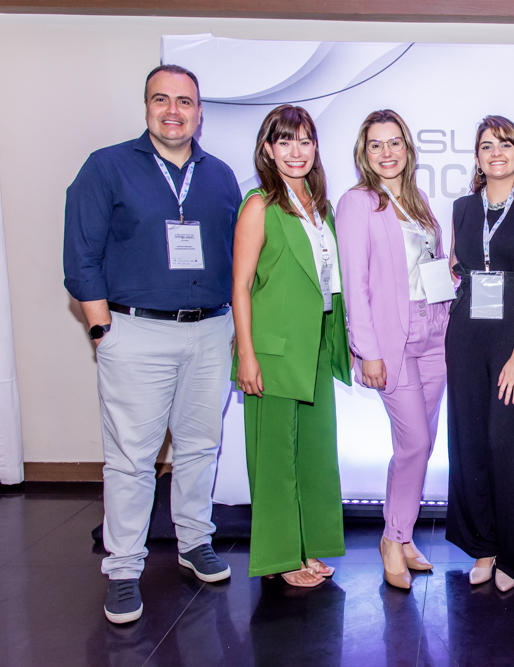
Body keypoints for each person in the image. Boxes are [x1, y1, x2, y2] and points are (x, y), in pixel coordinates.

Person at [63, 64, 241, 623]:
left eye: (184, 101)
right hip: (134, 330)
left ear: (199, 111)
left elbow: (237, 260)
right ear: (146, 107)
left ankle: (193, 540)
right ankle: (122, 567)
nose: (173, 111)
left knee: (198, 446)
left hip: (210, 329)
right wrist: (102, 331)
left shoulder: (220, 176)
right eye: (161, 100)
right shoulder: (108, 167)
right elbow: (80, 253)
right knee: (131, 459)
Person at [232, 105, 352, 588]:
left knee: (315, 454)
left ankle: (307, 548)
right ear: (267, 149)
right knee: (275, 459)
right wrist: (246, 354)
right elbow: (240, 285)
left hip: (316, 344)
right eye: (284, 141)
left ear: (315, 147)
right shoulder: (259, 204)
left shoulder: (321, 206)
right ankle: (281, 558)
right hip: (274, 351)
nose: (295, 151)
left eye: (304, 140)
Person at [336, 110, 448, 591]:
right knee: (415, 442)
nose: (387, 152)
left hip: (435, 332)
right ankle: (392, 537)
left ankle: (401, 536)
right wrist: (367, 350)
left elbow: (430, 265)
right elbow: (354, 284)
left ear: (408, 148)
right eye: (377, 144)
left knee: (418, 446)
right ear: (365, 151)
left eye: (395, 142)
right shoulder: (358, 202)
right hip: (391, 337)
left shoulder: (418, 200)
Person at [445, 115, 514, 592]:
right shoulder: (463, 208)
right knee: (469, 444)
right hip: (467, 337)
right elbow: (455, 262)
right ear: (476, 156)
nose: (496, 152)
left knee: (509, 446)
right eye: (487, 145)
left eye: (506, 144)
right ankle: (484, 546)